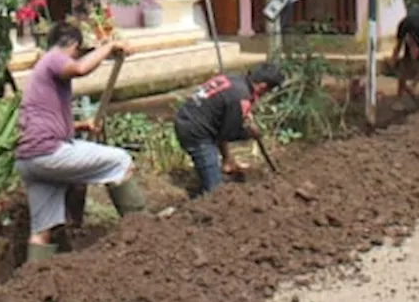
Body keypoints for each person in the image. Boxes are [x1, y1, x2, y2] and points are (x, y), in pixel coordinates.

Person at [14, 22, 144, 262]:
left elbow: (42, 125)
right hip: (47, 154)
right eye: (77, 50)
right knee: (121, 161)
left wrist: (80, 126)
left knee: (41, 231)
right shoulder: (53, 58)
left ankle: (31, 286)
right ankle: (144, 231)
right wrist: (109, 46)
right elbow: (81, 68)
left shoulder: (41, 71)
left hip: (28, 160)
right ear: (72, 45)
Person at [173, 63, 285, 196]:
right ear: (263, 86)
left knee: (221, 128)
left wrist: (227, 158)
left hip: (189, 117)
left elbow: (221, 127)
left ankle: (227, 163)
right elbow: (229, 133)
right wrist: (249, 132)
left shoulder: (234, 79)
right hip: (195, 131)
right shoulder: (240, 97)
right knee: (215, 192)